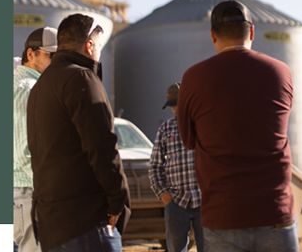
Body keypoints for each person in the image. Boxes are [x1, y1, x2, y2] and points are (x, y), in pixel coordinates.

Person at [177, 0, 299, 252]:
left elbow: (188, 140)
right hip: (275, 211)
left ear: (212, 35)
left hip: (223, 215)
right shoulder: (281, 72)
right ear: (252, 32)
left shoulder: (193, 77)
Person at [26, 14, 131, 252]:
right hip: (85, 223)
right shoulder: (81, 78)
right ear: (90, 45)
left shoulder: (41, 86)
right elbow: (103, 147)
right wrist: (119, 204)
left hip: (51, 224)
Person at [14, 26, 58, 252]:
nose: (56, 62)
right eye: (51, 56)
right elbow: (25, 151)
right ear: (31, 55)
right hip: (26, 192)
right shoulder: (29, 89)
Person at [149, 82, 204, 252]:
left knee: (210, 248)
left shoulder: (203, 126)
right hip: (176, 201)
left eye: (177, 104)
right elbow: (155, 165)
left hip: (203, 200)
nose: (174, 109)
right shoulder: (166, 129)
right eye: (171, 105)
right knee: (175, 249)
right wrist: (164, 194)